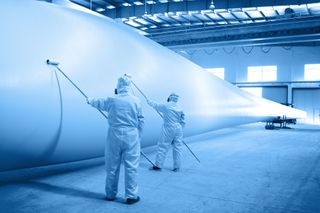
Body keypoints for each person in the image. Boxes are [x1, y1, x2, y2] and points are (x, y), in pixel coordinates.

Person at [87, 75, 144, 205]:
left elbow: (98, 102)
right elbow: (141, 120)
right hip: (131, 135)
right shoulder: (136, 100)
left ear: (118, 86)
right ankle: (131, 196)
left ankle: (110, 194)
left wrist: (89, 100)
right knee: (131, 166)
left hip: (114, 134)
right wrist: (138, 137)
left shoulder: (112, 99)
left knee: (112, 165)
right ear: (129, 86)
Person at [147, 92, 185, 172]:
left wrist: (148, 100)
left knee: (163, 146)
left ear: (170, 97)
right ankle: (177, 167)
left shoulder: (166, 106)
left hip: (168, 128)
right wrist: (179, 130)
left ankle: (158, 165)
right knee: (178, 148)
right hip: (178, 129)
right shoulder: (180, 108)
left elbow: (156, 105)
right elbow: (183, 121)